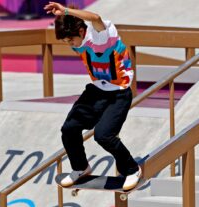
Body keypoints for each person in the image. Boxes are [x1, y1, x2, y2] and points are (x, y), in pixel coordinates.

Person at [44, 2, 142, 191]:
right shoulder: (77, 40)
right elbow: (74, 24)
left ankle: (131, 169)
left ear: (81, 32)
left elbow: (95, 18)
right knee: (69, 129)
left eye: (70, 40)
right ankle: (80, 167)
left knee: (103, 135)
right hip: (96, 91)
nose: (70, 45)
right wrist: (62, 17)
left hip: (118, 93)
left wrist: (65, 10)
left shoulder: (100, 38)